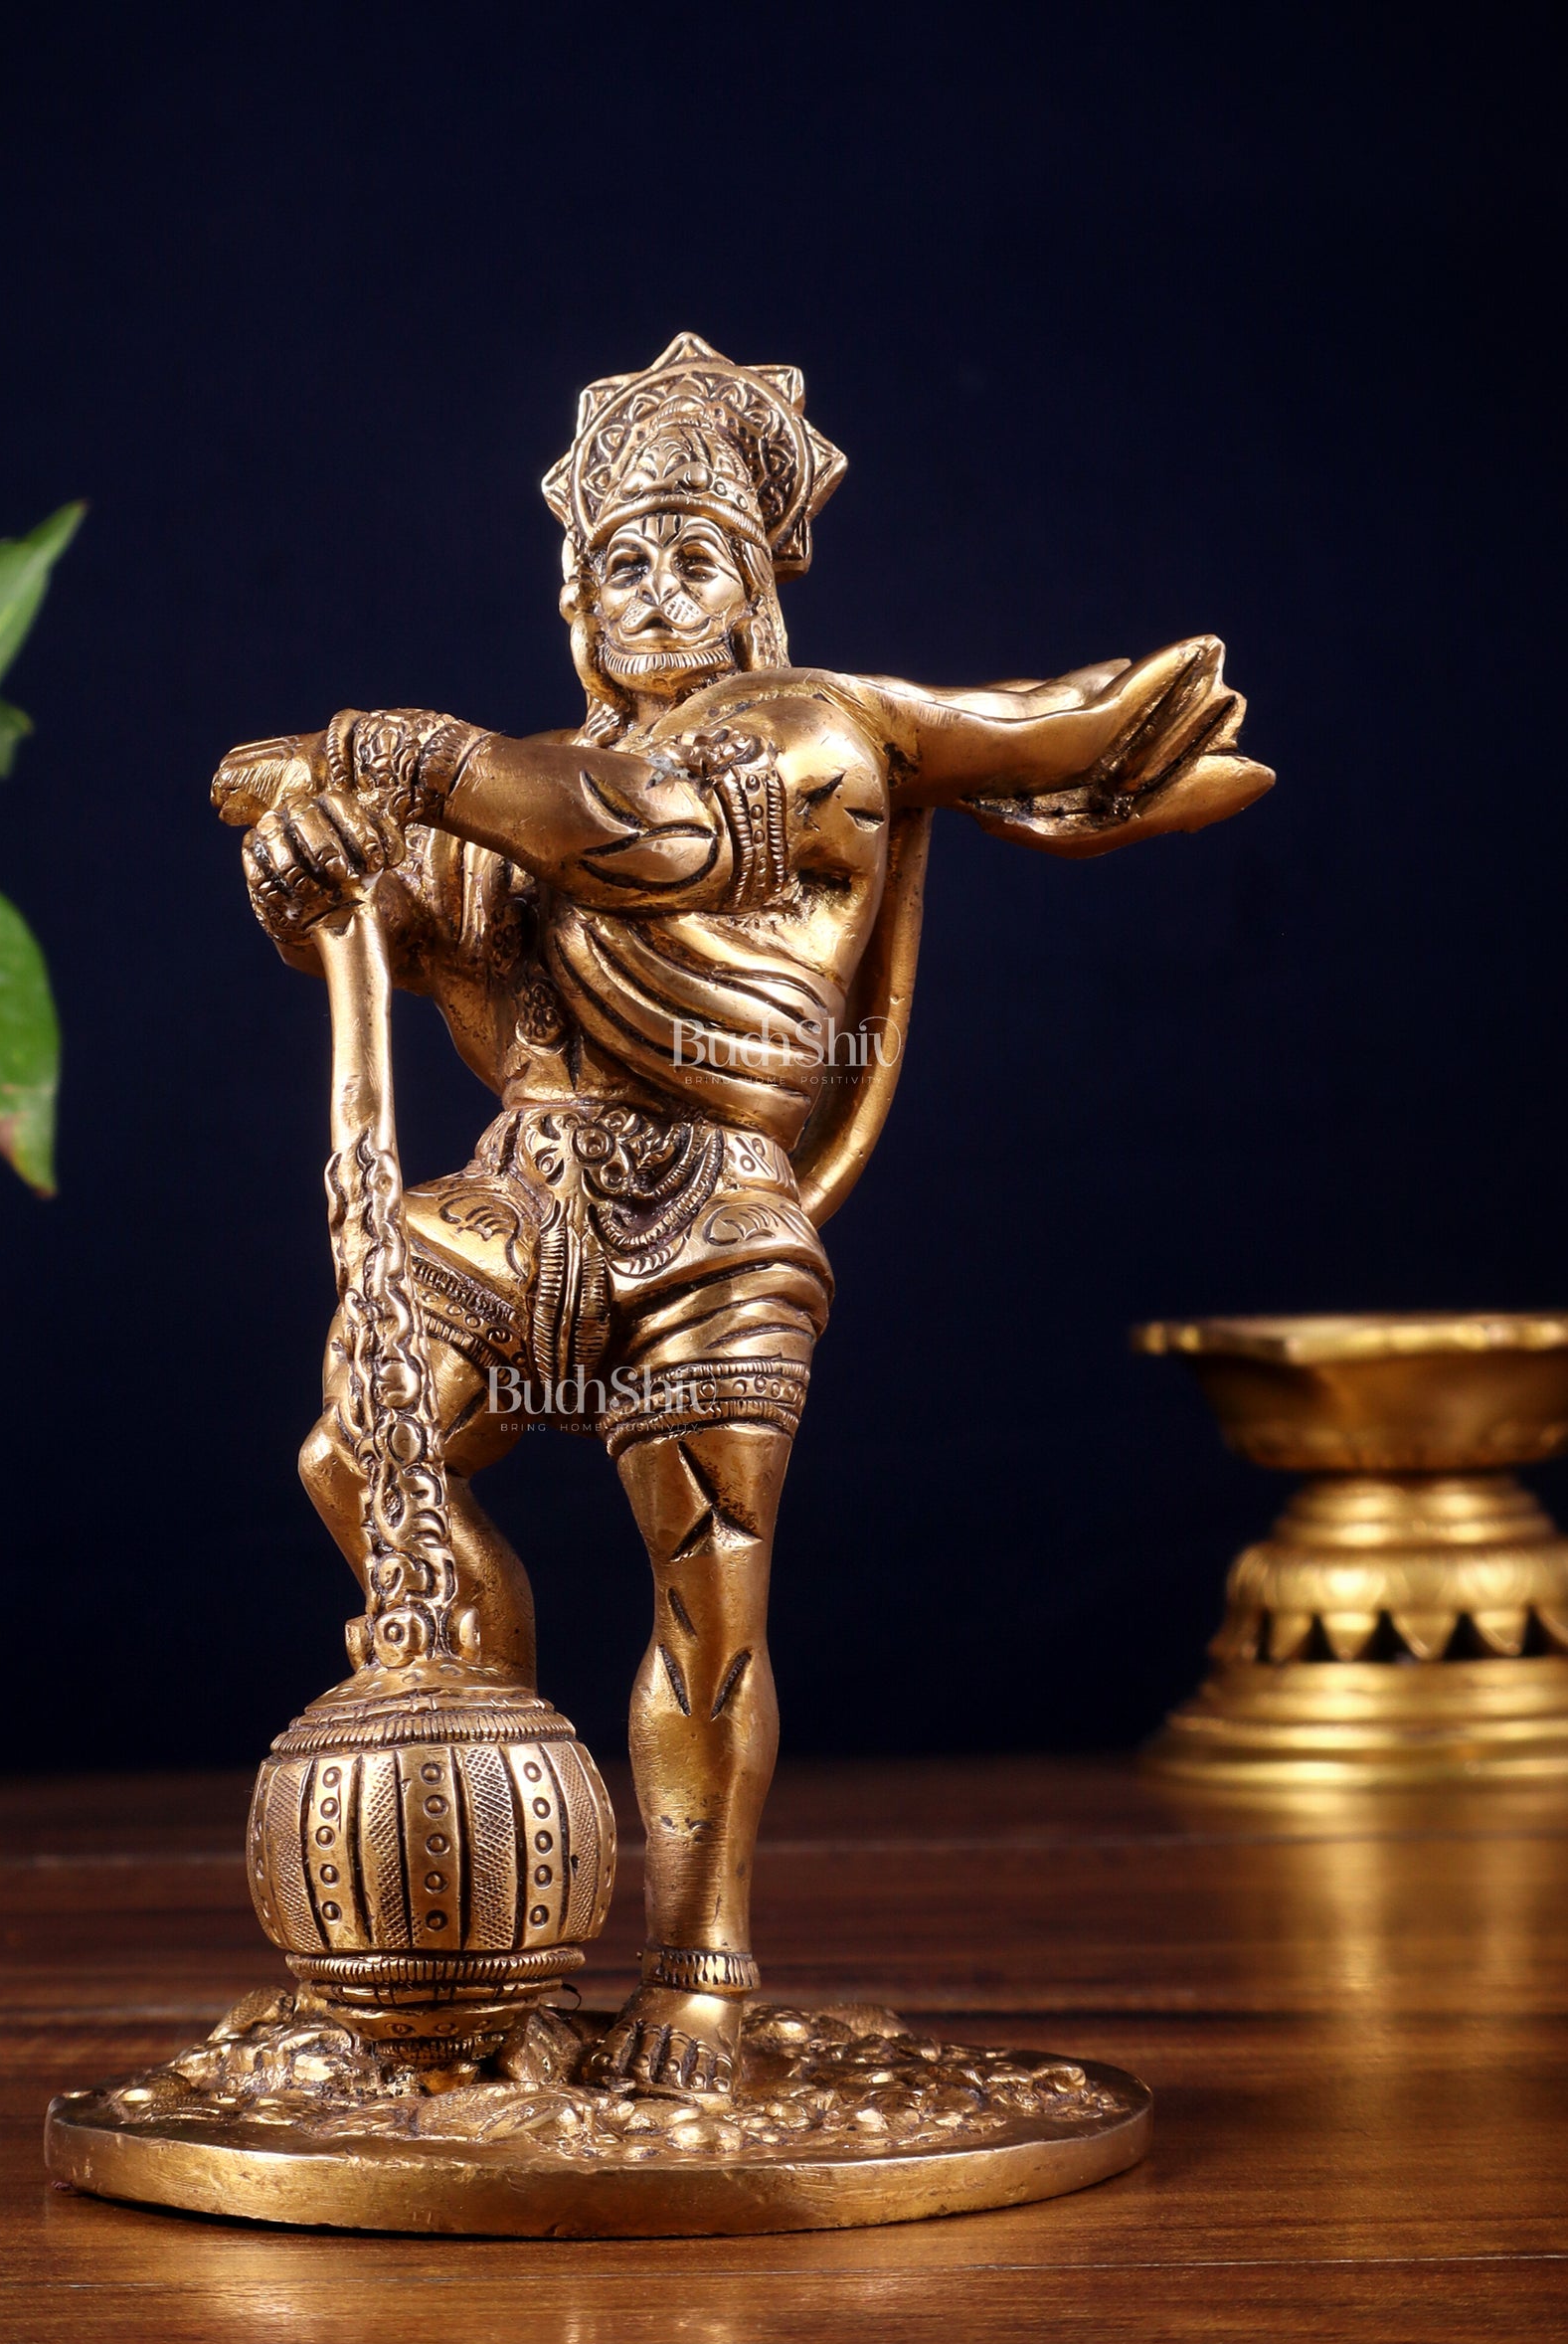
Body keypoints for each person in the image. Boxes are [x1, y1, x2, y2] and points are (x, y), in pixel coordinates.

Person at [215, 334, 1272, 2094]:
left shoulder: (804, 740)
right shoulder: (504, 785)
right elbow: (393, 918)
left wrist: (404, 756)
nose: (654, 588)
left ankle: (696, 1970)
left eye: (694, 555)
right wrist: (309, 860)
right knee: (361, 1455)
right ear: (574, 595)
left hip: (711, 1216)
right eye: (621, 557)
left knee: (704, 1599)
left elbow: (636, 843)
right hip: (519, 1192)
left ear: (756, 591)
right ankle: (500, 1831)